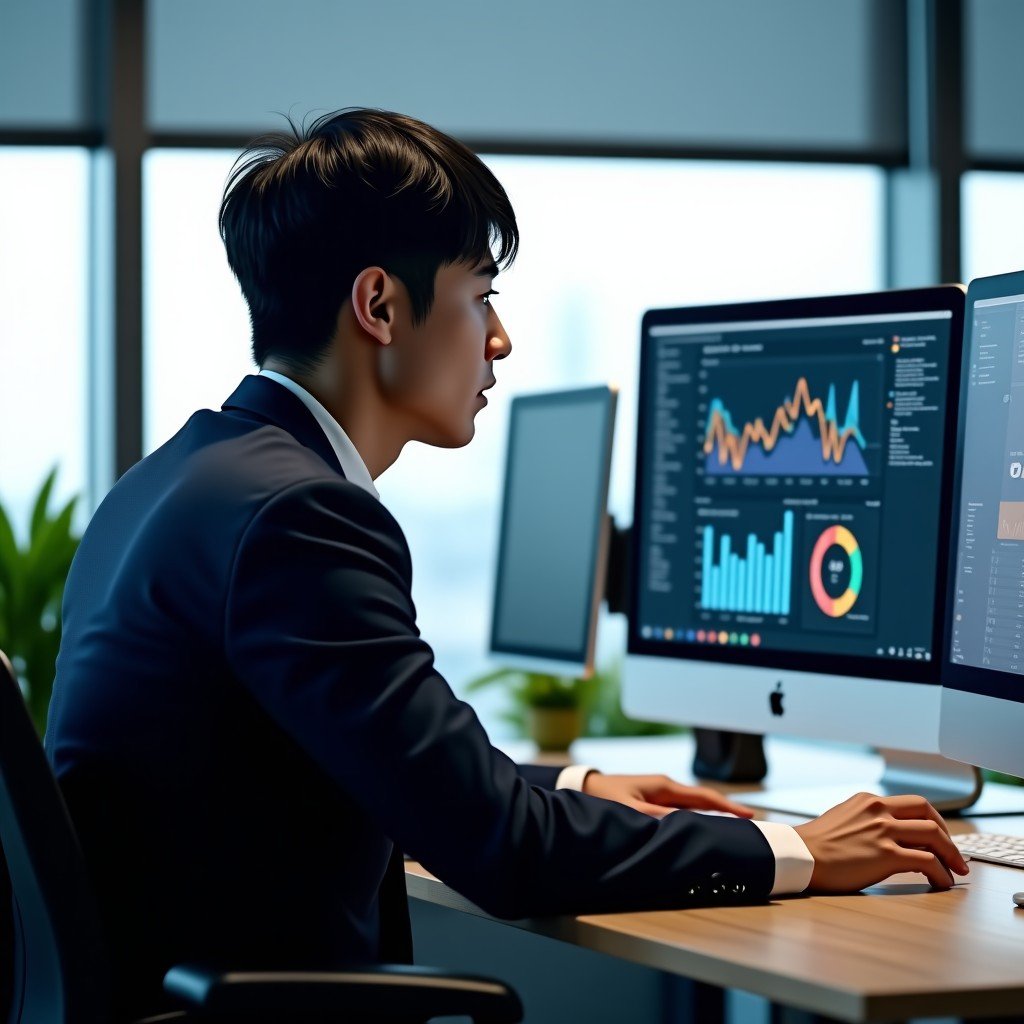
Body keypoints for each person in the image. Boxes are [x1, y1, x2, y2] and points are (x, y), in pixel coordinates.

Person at [46, 108, 968, 1022]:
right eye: (481, 296)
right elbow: (497, 848)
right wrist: (794, 850)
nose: (500, 340)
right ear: (379, 306)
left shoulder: (178, 479)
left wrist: (573, 784)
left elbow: (396, 769)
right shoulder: (300, 517)